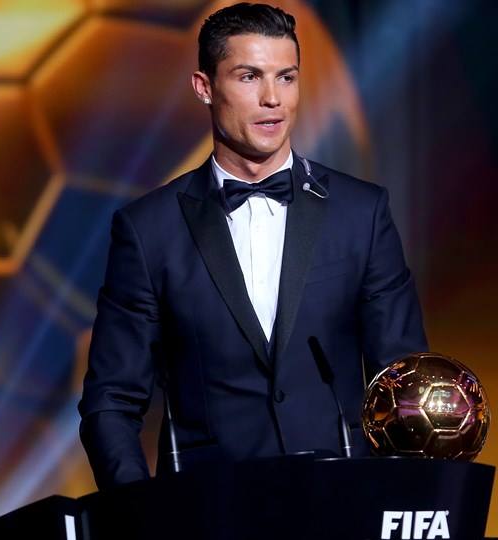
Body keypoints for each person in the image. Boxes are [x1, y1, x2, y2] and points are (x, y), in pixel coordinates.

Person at [78, 2, 427, 489]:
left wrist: (399, 503)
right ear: (204, 87)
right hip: (207, 508)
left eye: (287, 78)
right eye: (249, 77)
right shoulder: (149, 230)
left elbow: (406, 384)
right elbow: (111, 402)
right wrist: (143, 514)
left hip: (342, 503)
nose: (273, 99)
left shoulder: (361, 213)